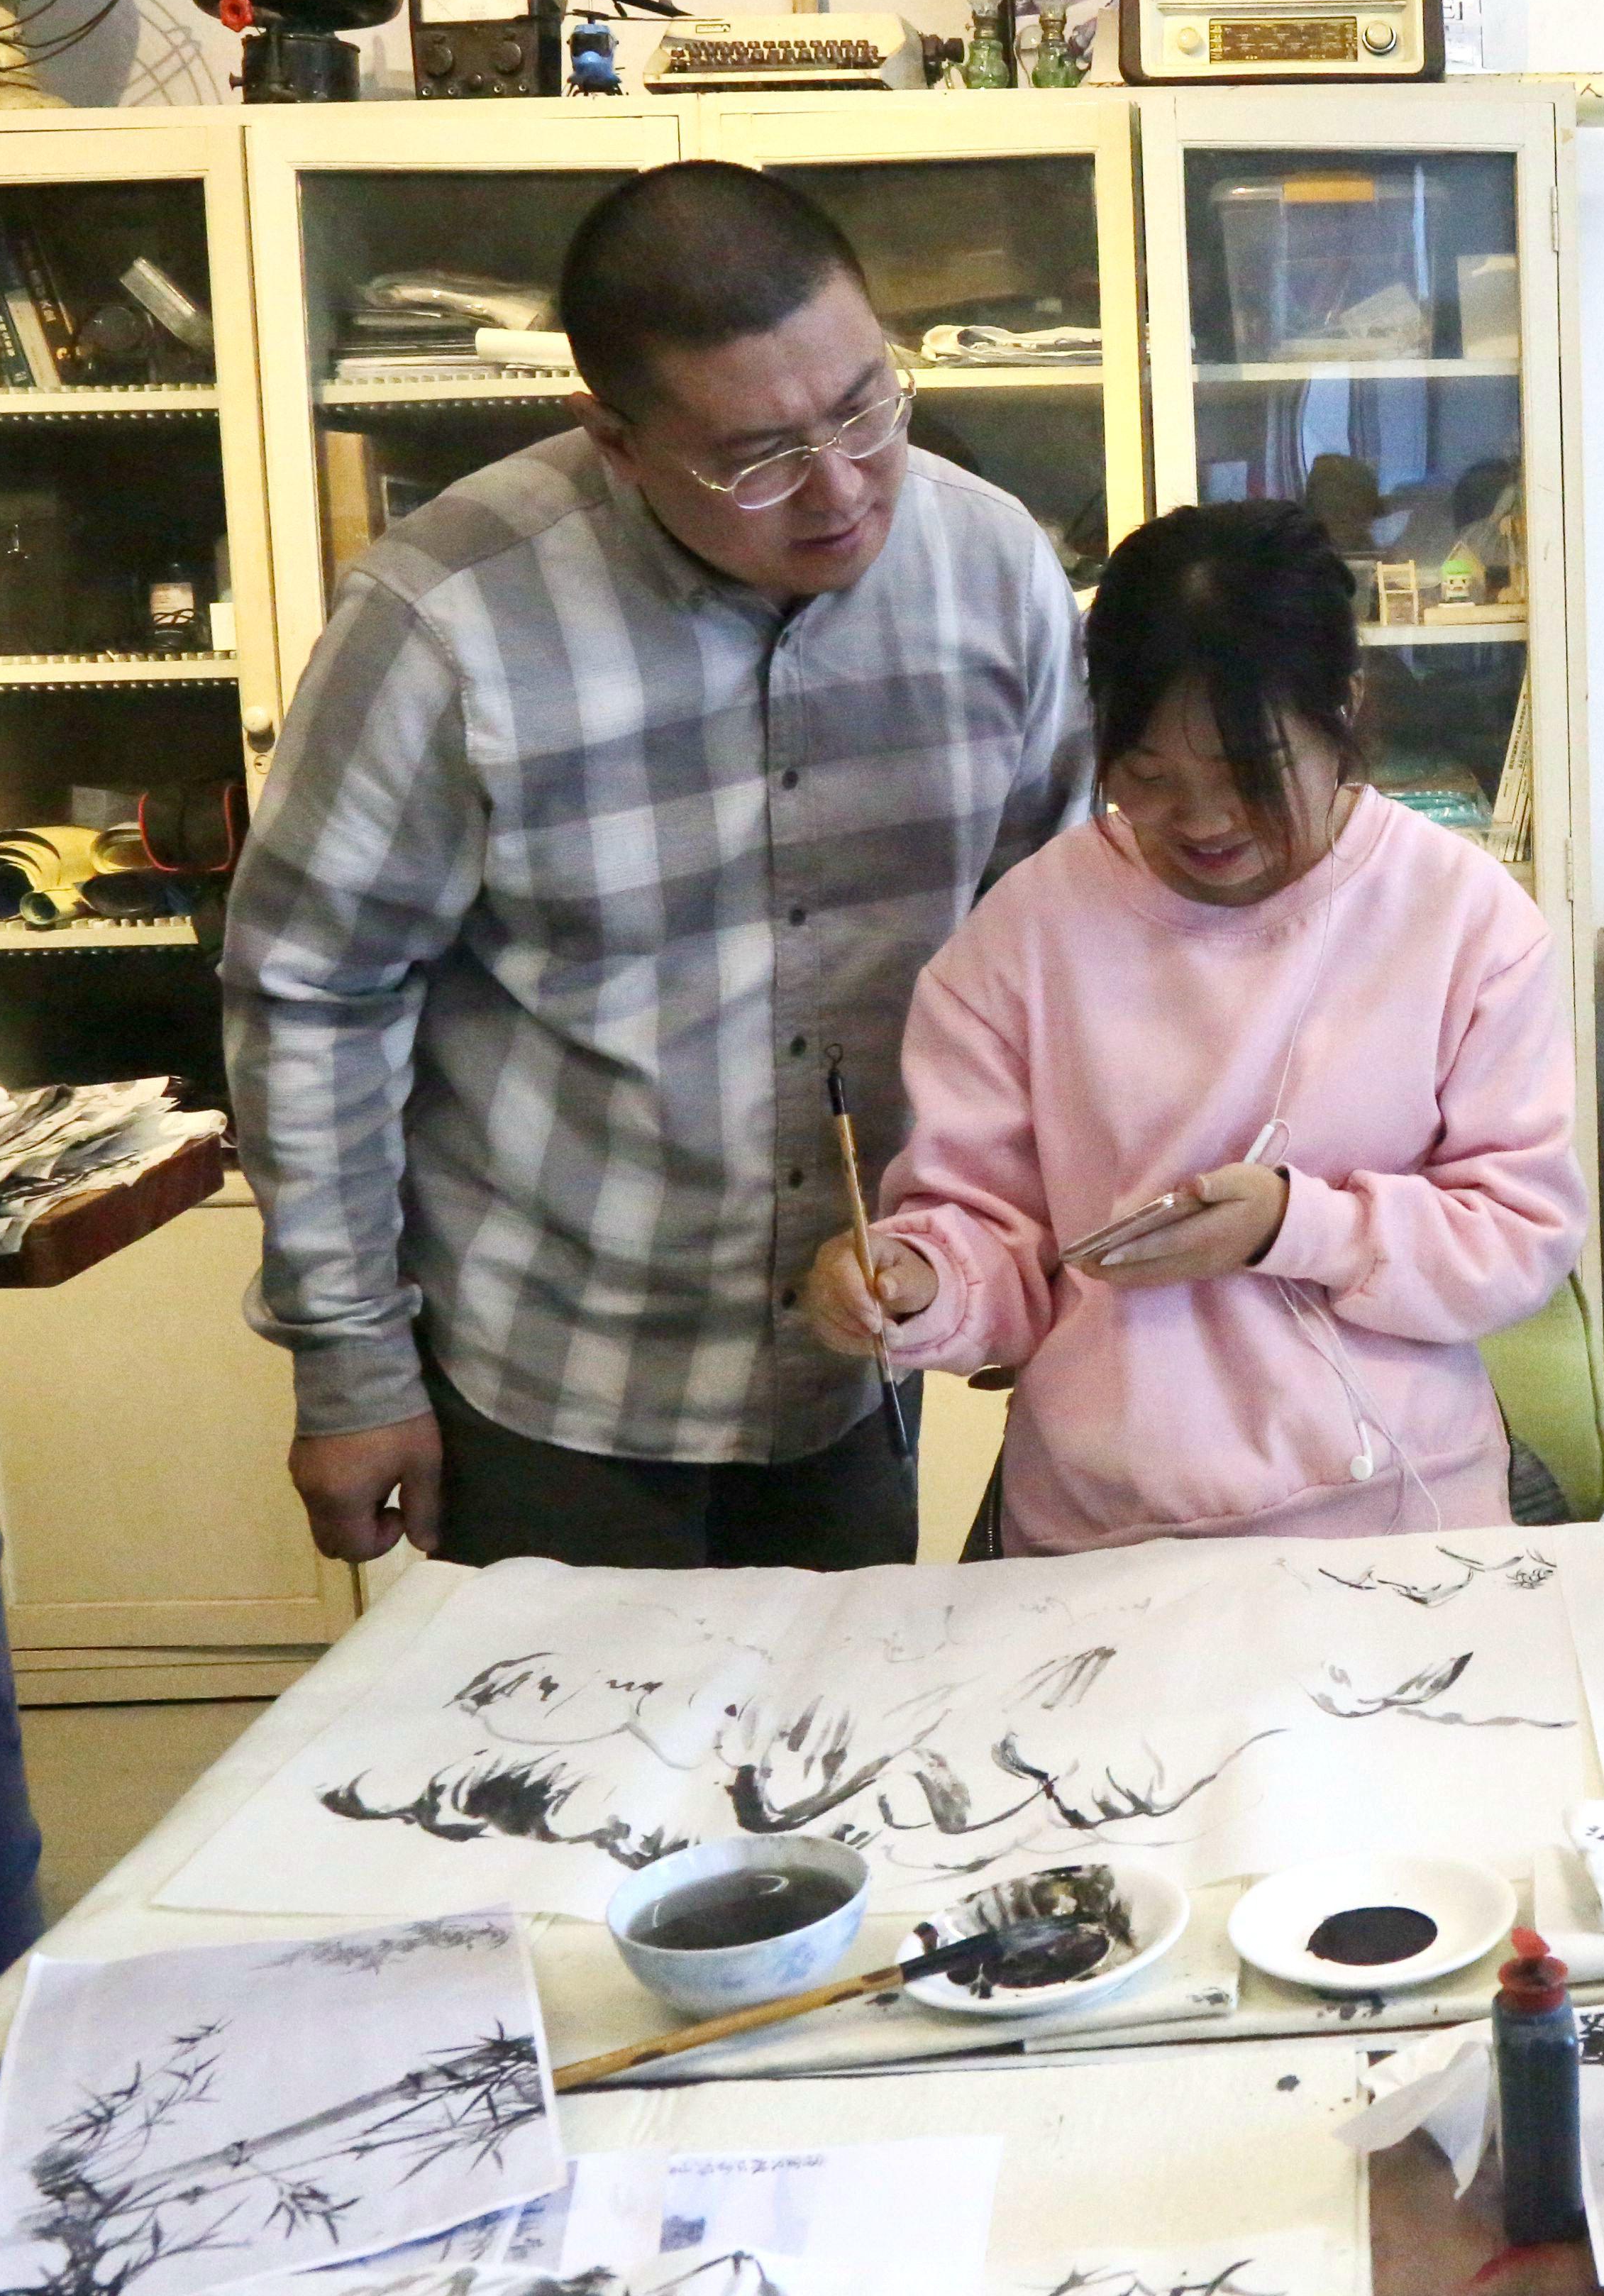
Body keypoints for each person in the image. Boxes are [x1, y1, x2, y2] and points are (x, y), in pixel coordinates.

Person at [226, 162, 1092, 1573]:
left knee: (843, 1713)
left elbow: (1047, 948)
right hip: (556, 1380)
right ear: (615, 440)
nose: (841, 488)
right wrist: (350, 1366)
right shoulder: (448, 618)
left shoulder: (995, 574)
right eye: (755, 458)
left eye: (865, 405)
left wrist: (1016, 1253)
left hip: (858, 1366)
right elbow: (314, 994)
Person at [802, 499, 1586, 1549]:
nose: (1206, 822)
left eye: (1253, 773)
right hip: (1105, 1530)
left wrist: (1291, 1226)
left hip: (1398, 1520)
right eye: (1149, 778)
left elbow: (1518, 1237)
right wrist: (917, 1279)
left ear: (1347, 710)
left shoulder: (1462, 919)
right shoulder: (1025, 936)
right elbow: (992, 1238)